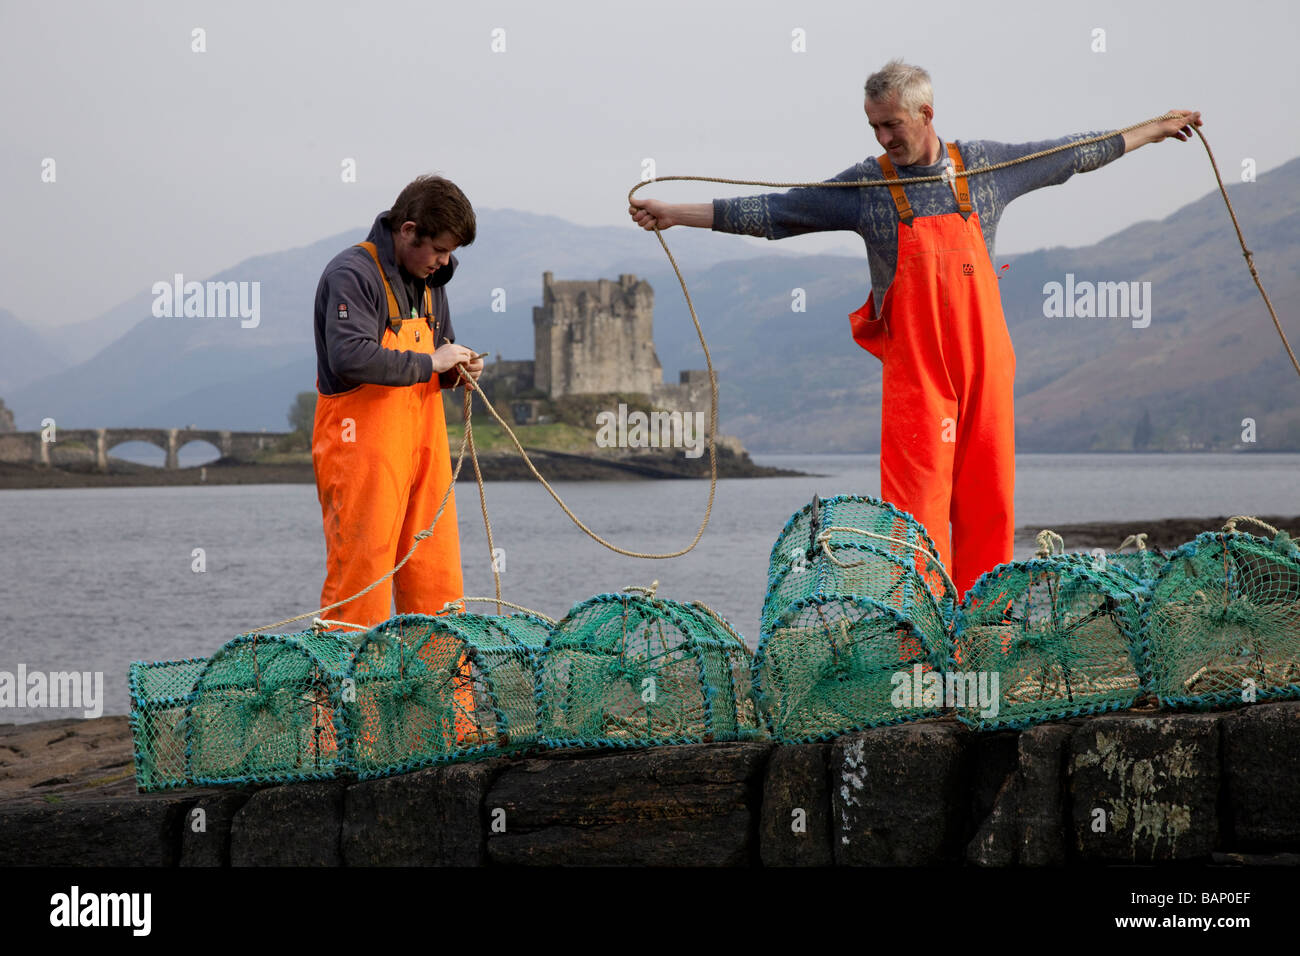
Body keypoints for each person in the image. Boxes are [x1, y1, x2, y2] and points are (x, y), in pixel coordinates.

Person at [630, 59, 1201, 598]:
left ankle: (986, 634)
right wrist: (678, 214)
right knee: (915, 518)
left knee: (990, 506)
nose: (882, 138)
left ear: (926, 114)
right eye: (874, 126)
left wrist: (1153, 129)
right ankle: (920, 648)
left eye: (892, 125)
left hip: (986, 370)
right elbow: (777, 213)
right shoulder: (866, 188)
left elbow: (1073, 154)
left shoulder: (984, 166)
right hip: (918, 381)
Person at [312, 174, 484, 627]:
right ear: (408, 230)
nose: (444, 262)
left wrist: (455, 370)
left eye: (450, 253)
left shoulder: (431, 281)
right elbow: (349, 355)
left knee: (437, 580)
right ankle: (347, 698)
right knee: (361, 580)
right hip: (361, 452)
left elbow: (435, 354)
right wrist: (433, 362)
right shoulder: (353, 274)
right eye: (439, 250)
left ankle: (444, 697)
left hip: (424, 454)